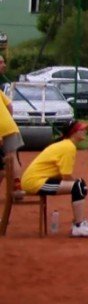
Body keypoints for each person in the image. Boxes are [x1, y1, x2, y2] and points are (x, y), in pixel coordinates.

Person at [21, 120, 88, 236]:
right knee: (79, 186)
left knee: (79, 185)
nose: (85, 131)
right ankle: (78, 226)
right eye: (82, 129)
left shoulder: (66, 145)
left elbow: (64, 175)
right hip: (35, 182)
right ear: (73, 132)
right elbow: (65, 175)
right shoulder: (68, 147)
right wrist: (78, 186)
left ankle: (79, 224)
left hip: (38, 179)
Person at [0, 53, 26, 210]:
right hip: (10, 125)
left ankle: (15, 188)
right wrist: (7, 121)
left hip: (4, 127)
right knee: (11, 157)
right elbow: (10, 106)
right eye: (1, 62)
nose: (4, 65)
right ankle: (17, 189)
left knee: (5, 161)